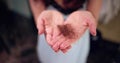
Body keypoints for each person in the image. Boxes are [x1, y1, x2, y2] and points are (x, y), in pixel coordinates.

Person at [29, 0, 102, 63]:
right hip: (49, 20)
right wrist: (42, 20)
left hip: (80, 21)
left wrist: (90, 18)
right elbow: (36, 2)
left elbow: (93, 15)